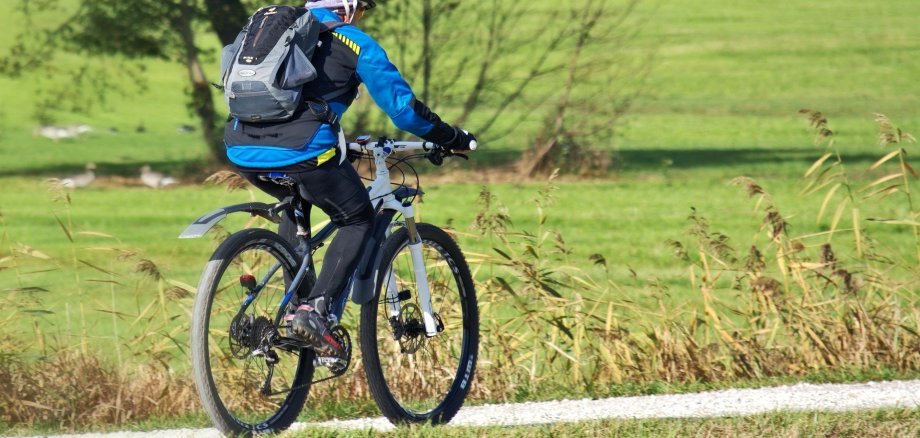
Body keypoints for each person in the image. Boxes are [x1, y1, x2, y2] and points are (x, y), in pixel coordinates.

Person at [224, 0, 477, 356]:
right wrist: (451, 137)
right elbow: (404, 112)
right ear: (349, 7)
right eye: (363, 10)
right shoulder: (352, 41)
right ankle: (316, 311)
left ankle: (295, 309)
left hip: (241, 150)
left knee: (297, 201)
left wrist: (339, 140)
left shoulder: (270, 33)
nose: (361, 17)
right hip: (304, 151)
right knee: (357, 218)